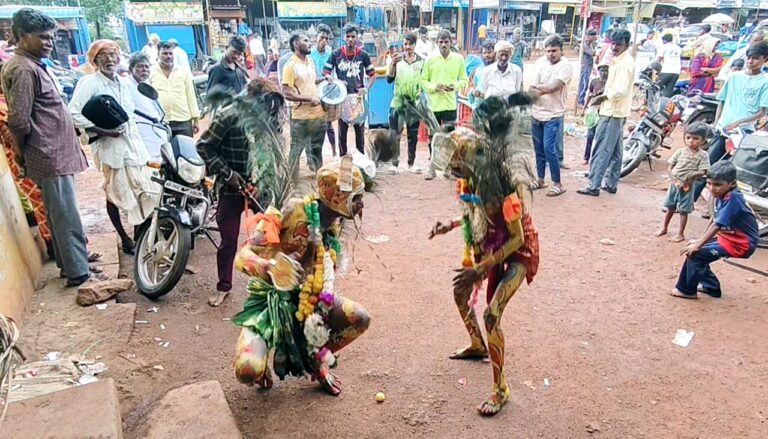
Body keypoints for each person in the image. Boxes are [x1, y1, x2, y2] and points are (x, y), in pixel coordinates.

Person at [428, 94, 539, 416]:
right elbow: (473, 213)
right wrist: (449, 225)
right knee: (459, 292)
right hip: (492, 247)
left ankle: (500, 388)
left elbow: (517, 237)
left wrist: (482, 268)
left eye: (456, 164)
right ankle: (477, 345)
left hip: (519, 252)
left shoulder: (502, 186)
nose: (452, 170)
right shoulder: (470, 178)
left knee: (492, 315)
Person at [232, 160, 370, 396]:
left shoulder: (332, 227)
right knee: (247, 370)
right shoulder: (292, 209)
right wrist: (271, 268)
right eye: (356, 198)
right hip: (269, 303)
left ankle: (317, 363)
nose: (361, 205)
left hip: (306, 304)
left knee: (359, 318)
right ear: (337, 195)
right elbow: (242, 258)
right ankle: (261, 350)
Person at [1, 8, 91, 286]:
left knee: (58, 213)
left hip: (53, 153)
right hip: (47, 154)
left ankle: (69, 265)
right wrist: (21, 151)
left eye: (51, 37)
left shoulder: (33, 65)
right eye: (42, 37)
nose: (49, 43)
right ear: (20, 36)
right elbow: (18, 120)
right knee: (66, 215)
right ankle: (79, 273)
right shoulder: (23, 69)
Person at [196, 78, 282, 307]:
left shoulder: (269, 114)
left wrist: (263, 180)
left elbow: (273, 149)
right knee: (229, 240)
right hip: (231, 188)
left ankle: (275, 282)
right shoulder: (228, 115)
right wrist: (228, 174)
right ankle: (224, 286)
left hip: (259, 187)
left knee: (272, 234)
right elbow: (203, 146)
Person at [69, 40, 158, 255]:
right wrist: (103, 130)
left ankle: (139, 235)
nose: (110, 60)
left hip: (134, 143)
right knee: (114, 192)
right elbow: (73, 112)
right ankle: (125, 239)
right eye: (104, 56)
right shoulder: (89, 83)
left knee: (143, 188)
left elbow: (130, 113)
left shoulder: (124, 83)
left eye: (113, 55)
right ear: (95, 60)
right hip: (111, 147)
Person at [692, 41, 768, 205]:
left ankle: (718, 207)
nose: (751, 61)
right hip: (723, 130)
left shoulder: (765, 81)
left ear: (765, 59)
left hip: (744, 134)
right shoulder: (734, 77)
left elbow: (762, 112)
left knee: (732, 173)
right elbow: (722, 101)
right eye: (749, 58)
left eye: (756, 58)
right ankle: (689, 201)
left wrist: (740, 122)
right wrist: (717, 123)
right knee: (708, 166)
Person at [671, 161, 759, 300]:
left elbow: (717, 225)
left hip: (741, 244)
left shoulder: (734, 198)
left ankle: (687, 290)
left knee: (696, 254)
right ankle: (711, 287)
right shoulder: (721, 194)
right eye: (709, 183)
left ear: (732, 184)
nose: (712, 188)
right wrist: (700, 240)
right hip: (729, 237)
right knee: (695, 250)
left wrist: (699, 244)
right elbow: (714, 218)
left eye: (717, 185)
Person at [578, 29, 635, 197]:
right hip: (617, 111)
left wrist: (602, 98)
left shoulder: (625, 64)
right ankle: (611, 183)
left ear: (627, 44)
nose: (615, 47)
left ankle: (593, 185)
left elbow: (620, 91)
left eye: (619, 44)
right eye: (613, 44)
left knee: (602, 148)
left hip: (612, 111)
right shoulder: (619, 60)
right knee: (616, 151)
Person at [529, 35, 573, 197]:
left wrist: (540, 88)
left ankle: (557, 183)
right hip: (537, 113)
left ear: (561, 50)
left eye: (554, 51)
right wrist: (543, 88)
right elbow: (531, 88)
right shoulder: (540, 63)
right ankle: (540, 179)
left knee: (549, 149)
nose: (550, 54)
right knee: (539, 149)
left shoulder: (565, 66)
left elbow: (554, 87)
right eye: (548, 51)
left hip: (553, 114)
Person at [421, 29, 467, 180]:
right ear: (437, 43)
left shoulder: (458, 59)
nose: (443, 45)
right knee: (433, 137)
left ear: (451, 42)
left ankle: (448, 168)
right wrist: (435, 87)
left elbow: (464, 80)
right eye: (440, 42)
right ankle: (432, 168)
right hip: (434, 105)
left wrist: (453, 86)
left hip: (450, 105)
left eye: (446, 42)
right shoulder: (430, 60)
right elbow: (423, 81)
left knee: (449, 138)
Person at [323, 24, 375, 156]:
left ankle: (361, 163)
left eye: (353, 36)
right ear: (344, 38)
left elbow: (372, 75)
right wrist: (333, 80)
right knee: (342, 134)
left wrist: (366, 88)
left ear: (357, 38)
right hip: (342, 98)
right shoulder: (336, 54)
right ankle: (342, 161)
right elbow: (326, 72)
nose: (350, 39)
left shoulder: (363, 55)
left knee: (360, 135)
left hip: (358, 99)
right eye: (348, 36)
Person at [655, 122, 711, 243]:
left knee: (683, 210)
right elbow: (670, 166)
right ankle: (664, 227)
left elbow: (703, 171)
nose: (691, 141)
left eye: (696, 139)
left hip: (688, 186)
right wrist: (674, 180)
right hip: (674, 184)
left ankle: (680, 234)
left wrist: (691, 176)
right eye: (688, 137)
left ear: (703, 141)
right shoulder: (680, 151)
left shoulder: (703, 155)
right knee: (670, 207)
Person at [282, 32, 326, 172]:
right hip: (300, 118)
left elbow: (311, 82)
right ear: (296, 44)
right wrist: (309, 99)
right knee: (295, 152)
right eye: (305, 40)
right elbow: (286, 92)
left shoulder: (310, 61)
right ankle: (292, 184)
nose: (309, 43)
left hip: (318, 115)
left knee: (317, 150)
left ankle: (321, 180)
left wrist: (324, 80)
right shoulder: (290, 66)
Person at [387, 32, 424, 173]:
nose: (407, 47)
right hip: (397, 103)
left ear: (415, 45)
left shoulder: (421, 61)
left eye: (410, 44)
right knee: (395, 134)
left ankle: (411, 163)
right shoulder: (397, 60)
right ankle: (394, 164)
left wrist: (421, 92)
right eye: (405, 44)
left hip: (413, 104)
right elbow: (389, 79)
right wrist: (392, 64)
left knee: (412, 135)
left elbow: (425, 80)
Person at [148, 41, 200, 138]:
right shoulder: (151, 72)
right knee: (166, 152)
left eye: (170, 53)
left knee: (186, 151)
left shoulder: (183, 72)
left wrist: (196, 119)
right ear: (158, 54)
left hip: (183, 120)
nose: (168, 56)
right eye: (164, 53)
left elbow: (191, 95)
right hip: (162, 121)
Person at [127, 53, 163, 161]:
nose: (144, 69)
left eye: (147, 67)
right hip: (140, 136)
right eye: (140, 66)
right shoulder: (126, 86)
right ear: (131, 69)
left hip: (156, 133)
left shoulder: (148, 85)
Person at [310, 24, 337, 156]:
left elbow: (334, 72)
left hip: (327, 92)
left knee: (328, 124)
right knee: (314, 125)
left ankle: (334, 151)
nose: (324, 41)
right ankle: (314, 154)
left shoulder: (330, 53)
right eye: (322, 38)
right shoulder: (309, 54)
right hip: (312, 92)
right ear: (316, 38)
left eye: (327, 39)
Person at [582, 64, 609, 165]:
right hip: (593, 110)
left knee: (601, 136)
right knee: (590, 135)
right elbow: (589, 95)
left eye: (606, 71)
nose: (604, 73)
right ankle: (586, 157)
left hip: (605, 111)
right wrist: (584, 108)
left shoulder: (610, 83)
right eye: (602, 71)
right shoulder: (594, 82)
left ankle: (597, 158)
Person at [467, 40, 495, 109]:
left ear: (495, 53)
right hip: (479, 107)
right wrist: (474, 92)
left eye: (489, 52)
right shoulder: (477, 71)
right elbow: (472, 87)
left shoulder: (499, 70)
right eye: (484, 53)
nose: (486, 55)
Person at [656, 33, 682, 98]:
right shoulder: (678, 48)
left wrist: (656, 69)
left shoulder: (664, 47)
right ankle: (665, 104)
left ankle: (652, 103)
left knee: (655, 87)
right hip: (676, 72)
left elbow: (658, 59)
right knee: (669, 90)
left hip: (666, 70)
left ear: (664, 40)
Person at [578, 29, 598, 107]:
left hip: (588, 66)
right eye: (593, 37)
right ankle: (580, 101)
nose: (594, 38)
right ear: (588, 36)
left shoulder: (589, 44)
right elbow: (592, 53)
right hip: (585, 67)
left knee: (586, 84)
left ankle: (581, 101)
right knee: (583, 84)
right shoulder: (585, 45)